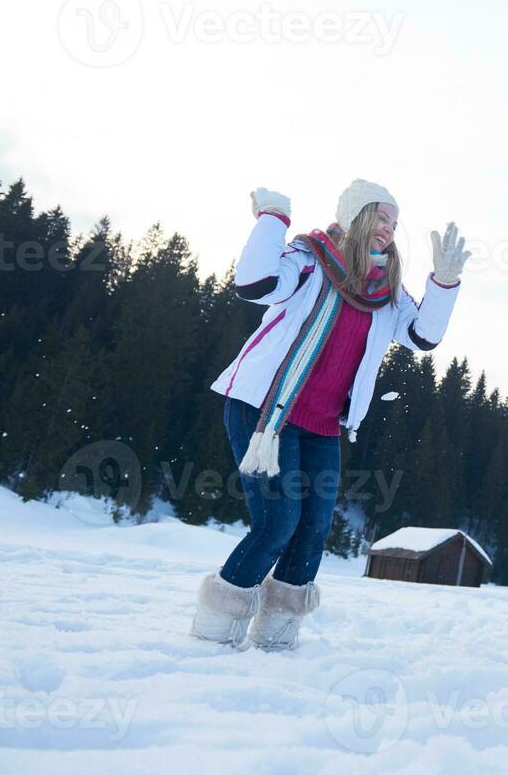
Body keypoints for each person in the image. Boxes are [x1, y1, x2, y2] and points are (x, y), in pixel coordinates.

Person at [191, 179, 470, 651]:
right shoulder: (308, 259)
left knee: (314, 527)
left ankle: (277, 636)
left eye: (394, 223)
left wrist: (443, 283)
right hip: (264, 411)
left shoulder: (386, 291)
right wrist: (273, 219)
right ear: (356, 215)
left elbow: (423, 337)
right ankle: (215, 631)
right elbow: (253, 283)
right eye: (381, 217)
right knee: (278, 522)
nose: (388, 229)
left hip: (321, 424)